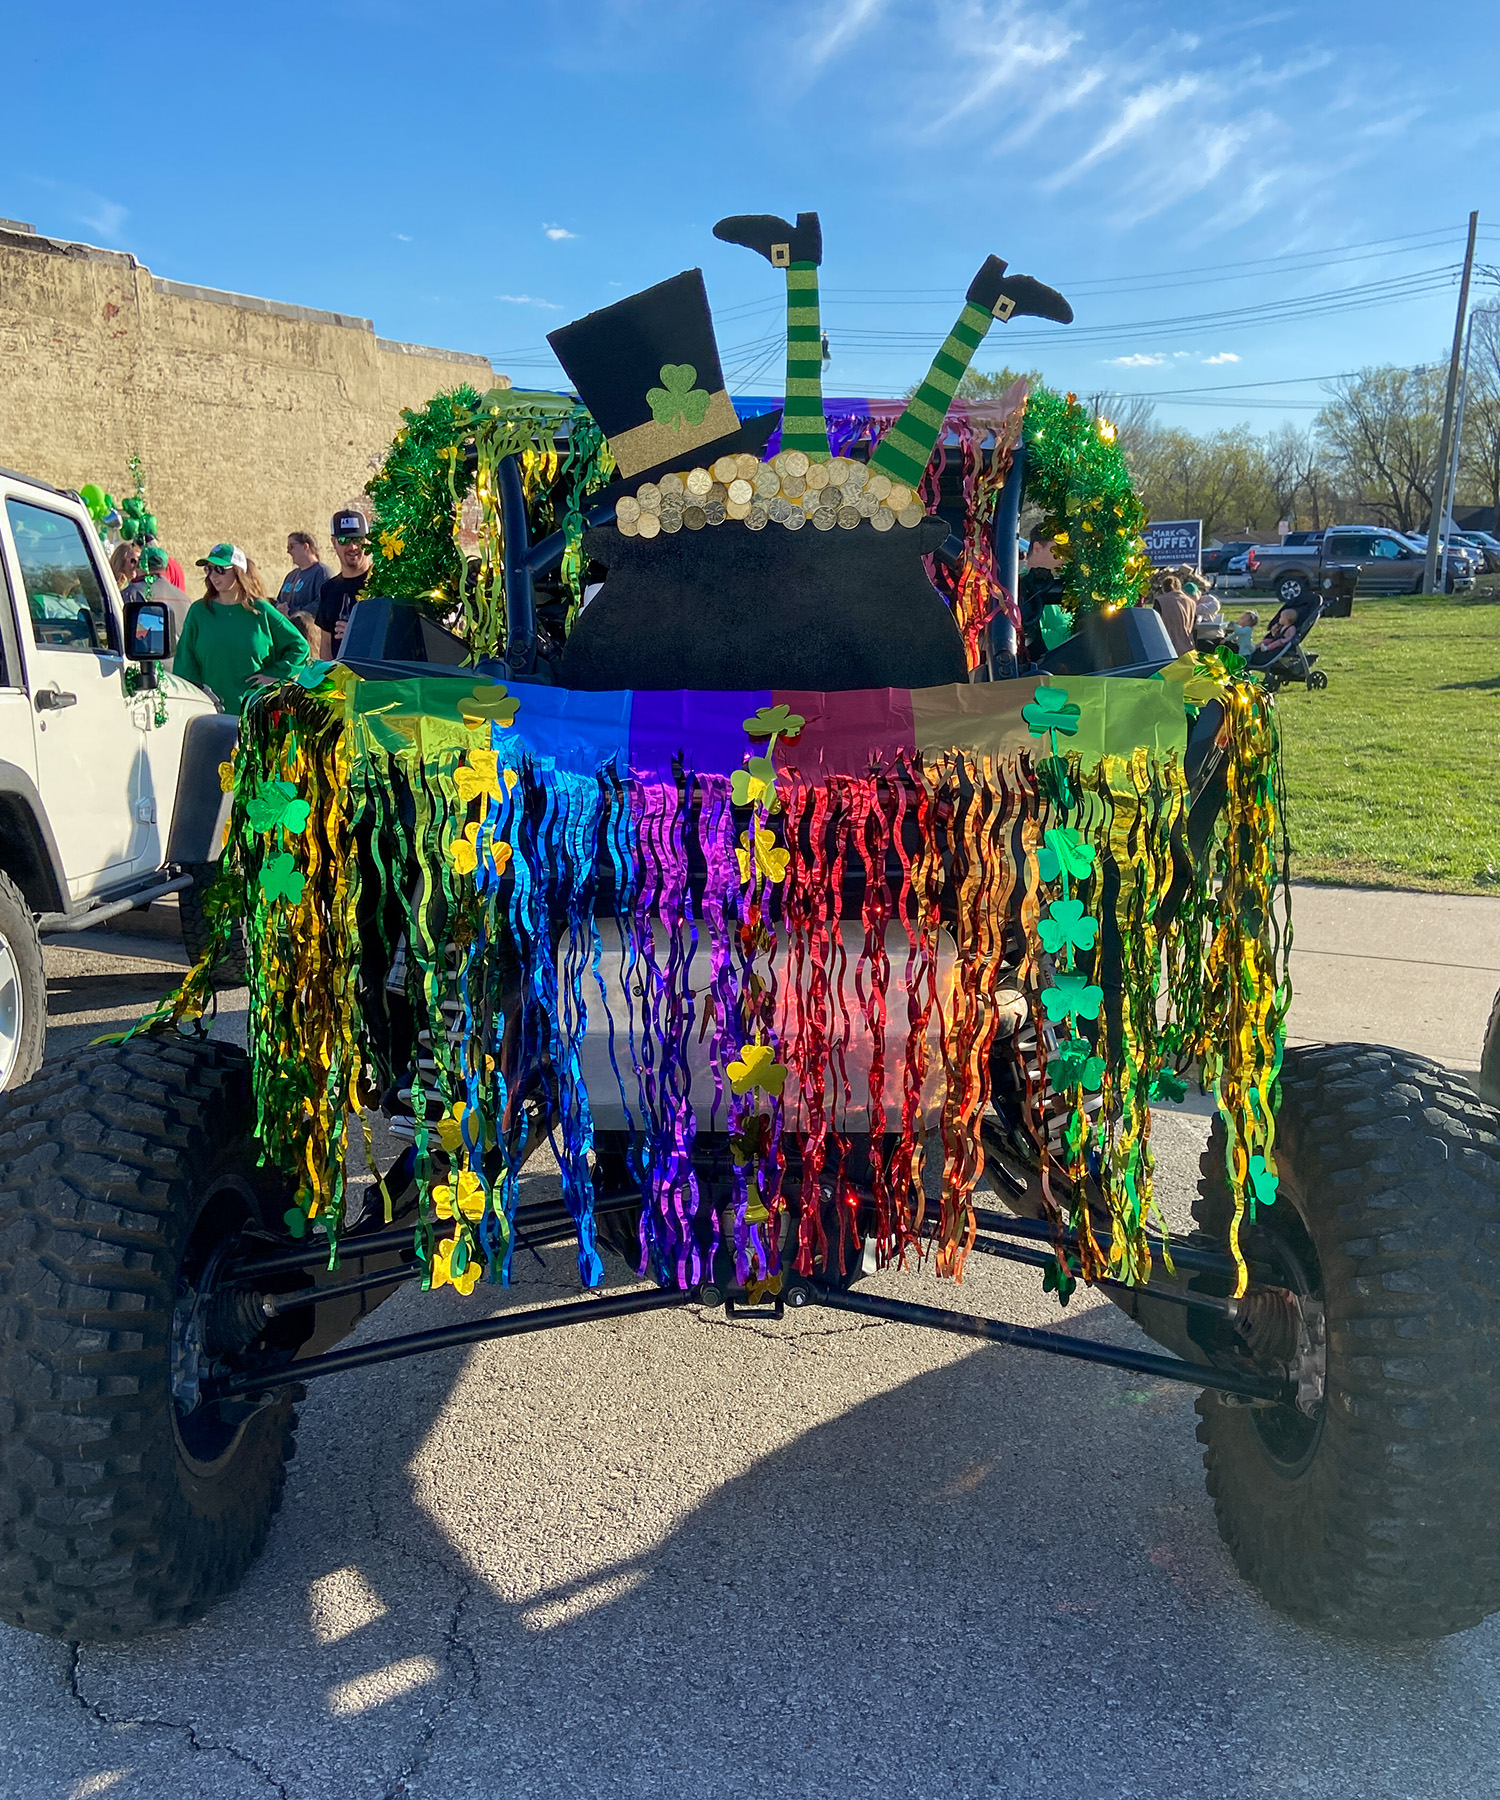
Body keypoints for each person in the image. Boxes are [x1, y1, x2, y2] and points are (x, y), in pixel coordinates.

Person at [174, 542, 309, 711]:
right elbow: (185, 662)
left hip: (254, 713)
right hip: (210, 714)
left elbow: (299, 647)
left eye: (220, 569)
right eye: (209, 569)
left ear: (238, 571)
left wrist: (276, 675)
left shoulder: (261, 610)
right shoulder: (199, 611)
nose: (214, 575)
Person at [313, 508, 372, 660]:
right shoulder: (328, 589)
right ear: (333, 542)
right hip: (341, 679)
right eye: (344, 540)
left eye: (358, 539)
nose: (352, 547)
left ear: (367, 540)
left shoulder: (382, 584)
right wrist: (328, 681)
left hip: (373, 679)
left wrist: (358, 634)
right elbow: (326, 643)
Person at [122, 545, 194, 663]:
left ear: (142, 565)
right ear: (166, 567)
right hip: (177, 672)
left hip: (145, 670)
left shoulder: (131, 594)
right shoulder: (185, 599)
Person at [277, 530, 330, 632]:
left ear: (305, 546)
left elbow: (322, 604)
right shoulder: (291, 576)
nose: (288, 551)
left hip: (308, 635)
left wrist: (292, 612)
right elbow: (279, 600)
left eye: (291, 546)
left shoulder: (322, 573)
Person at [1151, 570, 1196, 657]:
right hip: (1188, 645)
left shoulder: (1160, 601)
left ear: (1164, 588)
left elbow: (1154, 624)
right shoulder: (1191, 602)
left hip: (1167, 646)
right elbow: (1193, 625)